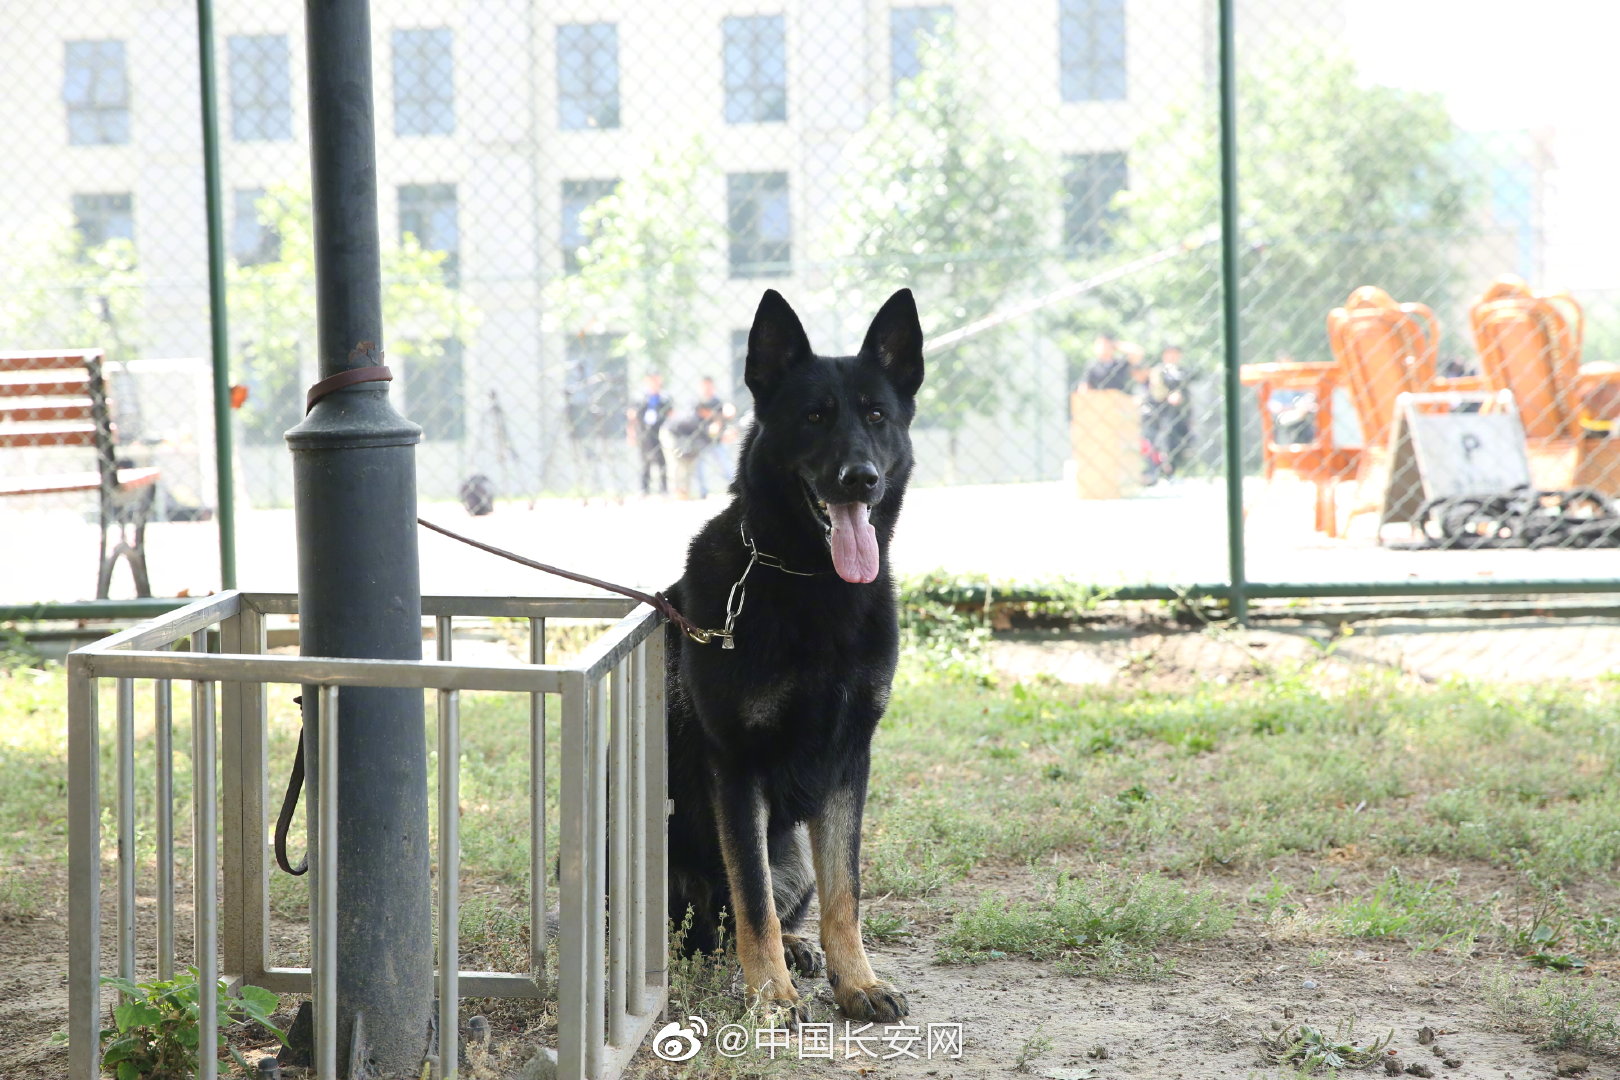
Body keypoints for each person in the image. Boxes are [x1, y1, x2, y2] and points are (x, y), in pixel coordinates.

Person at [1144, 345, 1192, 477]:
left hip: (1179, 413)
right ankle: (1161, 470)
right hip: (1161, 412)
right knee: (1162, 441)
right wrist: (1168, 395)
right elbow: (1156, 392)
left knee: (1180, 442)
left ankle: (1175, 470)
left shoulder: (1182, 371)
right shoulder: (1159, 371)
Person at [626, 372, 672, 495]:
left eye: (656, 379)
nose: (654, 382)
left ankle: (664, 489)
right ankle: (644, 489)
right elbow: (632, 417)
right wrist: (631, 433)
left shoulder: (665, 398)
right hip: (644, 433)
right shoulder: (640, 398)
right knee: (644, 461)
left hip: (659, 432)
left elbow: (671, 415)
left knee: (662, 461)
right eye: (651, 379)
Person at [692, 376, 737, 498]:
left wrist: (724, 427)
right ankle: (703, 492)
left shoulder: (717, 402)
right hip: (702, 440)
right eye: (705, 386)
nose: (707, 389)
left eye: (709, 386)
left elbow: (726, 417)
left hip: (717, 440)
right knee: (699, 467)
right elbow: (695, 420)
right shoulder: (697, 403)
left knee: (725, 464)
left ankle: (738, 488)